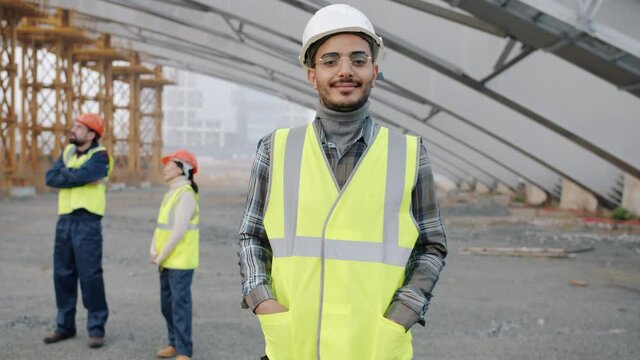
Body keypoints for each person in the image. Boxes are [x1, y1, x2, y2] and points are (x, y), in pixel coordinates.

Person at [238, 4, 447, 360]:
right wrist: (262, 300)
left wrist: (403, 315)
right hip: (295, 345)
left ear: (374, 71)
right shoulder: (276, 149)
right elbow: (252, 236)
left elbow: (432, 245)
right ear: (311, 74)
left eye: (358, 60)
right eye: (331, 60)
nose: (345, 71)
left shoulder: (409, 152)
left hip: (375, 347)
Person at [43, 113, 113, 349]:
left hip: (87, 222)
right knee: (62, 274)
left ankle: (96, 328)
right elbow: (50, 178)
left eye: (79, 127)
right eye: (74, 126)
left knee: (90, 276)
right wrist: (74, 177)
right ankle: (65, 326)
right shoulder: (68, 152)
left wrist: (71, 176)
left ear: (91, 134)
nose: (73, 130)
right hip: (64, 221)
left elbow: (83, 175)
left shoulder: (100, 156)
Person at [150, 149, 200, 360]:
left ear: (183, 169)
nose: (165, 168)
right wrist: (153, 249)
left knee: (179, 306)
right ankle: (173, 342)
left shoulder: (186, 194)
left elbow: (178, 231)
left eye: (170, 165)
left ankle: (184, 350)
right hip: (167, 259)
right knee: (167, 305)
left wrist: (160, 256)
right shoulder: (171, 192)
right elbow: (162, 226)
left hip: (180, 260)